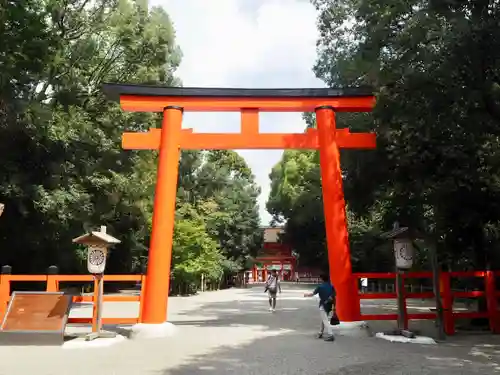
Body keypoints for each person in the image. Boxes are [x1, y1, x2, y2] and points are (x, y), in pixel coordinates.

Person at [304, 273, 336, 342]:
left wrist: (306, 295)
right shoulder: (331, 286)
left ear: (322, 279)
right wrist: (334, 307)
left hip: (323, 305)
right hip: (329, 305)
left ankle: (331, 335)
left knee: (325, 320)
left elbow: (312, 294)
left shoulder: (320, 287)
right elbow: (333, 297)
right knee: (324, 319)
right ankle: (320, 332)